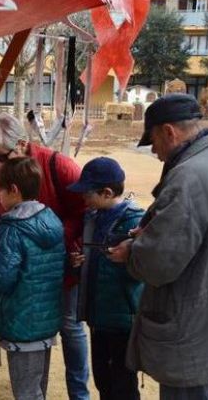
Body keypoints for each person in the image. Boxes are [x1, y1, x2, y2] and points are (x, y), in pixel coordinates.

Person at [108, 94, 208, 399]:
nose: (153, 151)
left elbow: (159, 263)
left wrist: (133, 251)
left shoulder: (189, 176)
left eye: (152, 140)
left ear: (169, 132)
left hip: (194, 322)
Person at [0, 113, 89, 399]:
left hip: (61, 263)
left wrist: (51, 243)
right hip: (33, 268)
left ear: (21, 143)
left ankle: (79, 394)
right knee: (43, 335)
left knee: (69, 326)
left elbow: (85, 210)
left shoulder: (59, 165)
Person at [0, 157, 65, 400]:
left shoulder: (13, 227)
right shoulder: (52, 219)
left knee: (27, 393)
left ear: (13, 190)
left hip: (21, 321)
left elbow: (1, 278)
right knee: (37, 390)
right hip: (45, 320)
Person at [67, 157, 144, 400]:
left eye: (88, 194)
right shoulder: (93, 218)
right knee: (102, 378)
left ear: (107, 192)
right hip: (98, 317)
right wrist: (80, 263)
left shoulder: (135, 222)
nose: (84, 199)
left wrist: (130, 255)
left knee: (123, 383)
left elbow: (144, 267)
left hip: (122, 320)